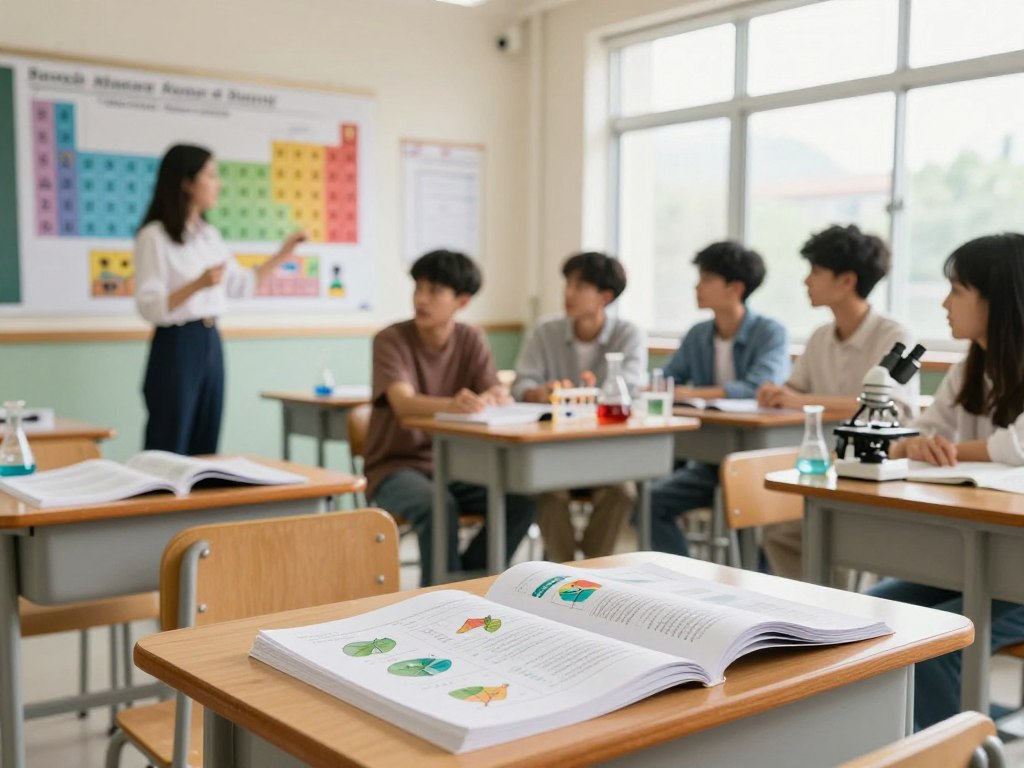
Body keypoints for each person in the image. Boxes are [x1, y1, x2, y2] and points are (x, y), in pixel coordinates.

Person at [869, 233, 1024, 730]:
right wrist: (915, 446)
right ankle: (912, 735)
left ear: (998, 299)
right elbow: (918, 437)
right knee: (873, 612)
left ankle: (951, 753)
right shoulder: (967, 371)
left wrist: (948, 451)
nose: (944, 303)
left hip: (1016, 572)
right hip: (977, 556)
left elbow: (1016, 447)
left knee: (937, 641)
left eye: (957, 290)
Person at [757, 224, 918, 578]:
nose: (806, 281)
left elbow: (888, 407)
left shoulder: (893, 334)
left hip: (877, 474)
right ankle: (819, 610)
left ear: (846, 281)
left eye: (815, 271)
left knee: (833, 536)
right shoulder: (820, 336)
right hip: (826, 470)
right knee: (779, 533)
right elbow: (793, 390)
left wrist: (799, 400)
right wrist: (777, 393)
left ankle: (842, 613)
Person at [366, 249, 535, 586]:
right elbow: (403, 403)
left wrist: (492, 396)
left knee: (523, 496)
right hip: (396, 468)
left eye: (434, 291)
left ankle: (474, 582)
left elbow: (496, 393)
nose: (421, 299)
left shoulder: (471, 338)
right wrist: (452, 404)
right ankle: (438, 595)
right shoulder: (391, 339)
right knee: (437, 505)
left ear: (462, 301)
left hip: (458, 466)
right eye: (418, 288)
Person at [134, 144, 305, 455]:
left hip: (210, 340)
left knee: (206, 441)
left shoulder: (208, 235)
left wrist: (284, 254)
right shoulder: (154, 236)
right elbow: (149, 305)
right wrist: (196, 284)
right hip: (176, 344)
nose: (218, 184)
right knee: (169, 441)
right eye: (210, 175)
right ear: (186, 182)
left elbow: (242, 284)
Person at [650, 241, 790, 555]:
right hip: (709, 461)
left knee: (751, 515)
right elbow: (667, 378)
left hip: (758, 462)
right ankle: (681, 582)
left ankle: (757, 581)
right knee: (651, 501)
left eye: (706, 279)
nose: (697, 287)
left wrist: (692, 394)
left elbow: (760, 387)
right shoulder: (699, 333)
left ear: (734, 288)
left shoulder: (770, 332)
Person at [512, 252, 646, 562]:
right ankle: (563, 572)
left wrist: (583, 396)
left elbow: (629, 390)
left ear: (605, 296)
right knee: (546, 491)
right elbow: (520, 385)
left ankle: (594, 569)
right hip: (552, 451)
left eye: (580, 286)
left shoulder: (628, 334)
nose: (568, 293)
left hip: (606, 453)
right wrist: (539, 392)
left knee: (622, 492)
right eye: (567, 284)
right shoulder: (546, 331)